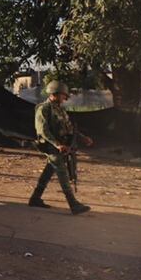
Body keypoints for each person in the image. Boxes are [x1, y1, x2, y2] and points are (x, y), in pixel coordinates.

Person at [31, 80, 92, 214]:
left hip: (62, 146)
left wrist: (83, 138)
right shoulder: (44, 109)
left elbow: (69, 128)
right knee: (62, 173)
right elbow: (43, 130)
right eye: (63, 95)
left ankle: (35, 198)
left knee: (49, 171)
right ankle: (73, 204)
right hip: (51, 146)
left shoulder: (60, 109)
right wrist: (57, 144)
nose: (65, 98)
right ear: (55, 94)